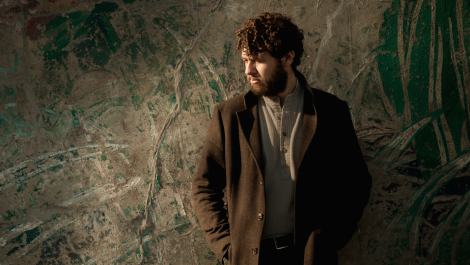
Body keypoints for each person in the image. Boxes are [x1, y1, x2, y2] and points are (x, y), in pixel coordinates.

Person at [191, 12, 372, 265]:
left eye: (257, 61)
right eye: (245, 60)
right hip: (250, 258)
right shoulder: (229, 115)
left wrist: (329, 238)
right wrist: (226, 245)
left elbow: (356, 182)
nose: (248, 70)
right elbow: (204, 186)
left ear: (287, 57)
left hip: (310, 256)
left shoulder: (330, 111)